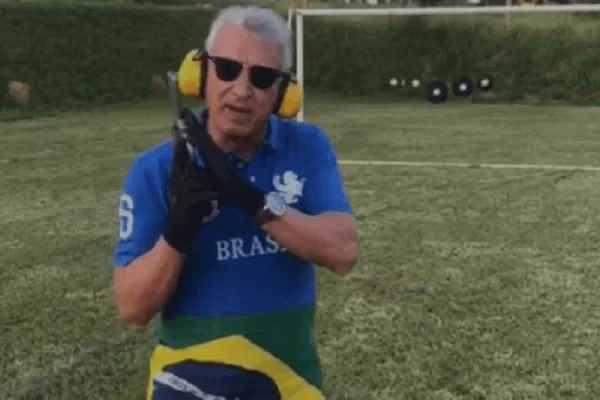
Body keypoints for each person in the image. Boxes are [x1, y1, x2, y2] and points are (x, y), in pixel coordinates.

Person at [112, 5, 357, 400]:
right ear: (201, 75)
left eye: (262, 77)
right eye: (227, 69)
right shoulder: (155, 169)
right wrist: (178, 232)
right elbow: (133, 309)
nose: (242, 90)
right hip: (186, 379)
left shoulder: (307, 146)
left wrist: (250, 199)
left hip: (290, 379)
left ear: (282, 93)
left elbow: (342, 252)